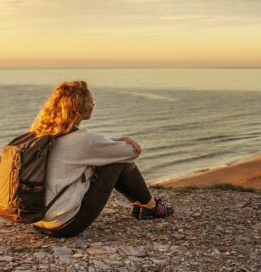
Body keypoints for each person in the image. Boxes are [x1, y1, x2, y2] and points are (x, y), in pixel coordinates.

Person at [30, 81, 172, 238]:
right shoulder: (84, 140)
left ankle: (148, 206)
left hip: (37, 220)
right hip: (64, 226)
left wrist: (116, 141)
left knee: (108, 155)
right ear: (78, 107)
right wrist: (124, 139)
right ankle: (152, 207)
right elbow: (131, 153)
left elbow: (90, 149)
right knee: (115, 162)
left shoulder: (41, 135)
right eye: (90, 101)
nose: (93, 104)